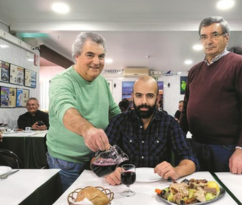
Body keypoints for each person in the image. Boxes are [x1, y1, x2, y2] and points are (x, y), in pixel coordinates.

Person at [180, 16, 242, 175]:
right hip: (195, 146)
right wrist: (179, 141)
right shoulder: (194, 71)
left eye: (214, 35)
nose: (208, 41)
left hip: (226, 149)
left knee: (229, 195)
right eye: (204, 36)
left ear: (226, 38)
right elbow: (185, 111)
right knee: (196, 194)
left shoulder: (240, 65)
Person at [46, 32, 121, 191]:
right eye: (90, 55)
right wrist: (87, 129)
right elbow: (65, 109)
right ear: (77, 56)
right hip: (67, 162)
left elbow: (113, 111)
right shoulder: (62, 80)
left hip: (97, 159)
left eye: (101, 56)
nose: (96, 61)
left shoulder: (101, 81)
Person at [95, 76, 199, 185]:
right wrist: (108, 172)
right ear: (132, 97)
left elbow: (190, 159)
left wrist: (176, 171)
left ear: (157, 98)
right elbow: (96, 157)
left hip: (159, 186)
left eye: (149, 96)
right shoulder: (119, 121)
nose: (144, 101)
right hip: (123, 185)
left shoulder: (169, 123)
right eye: (139, 95)